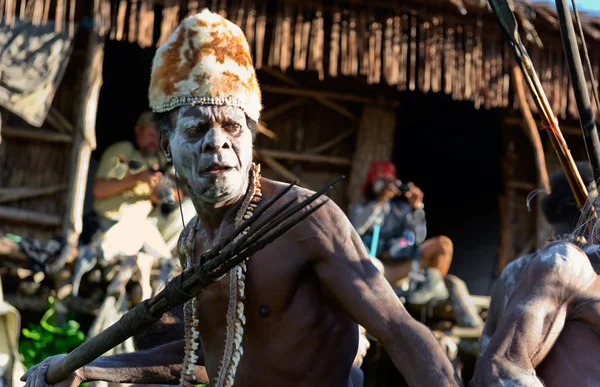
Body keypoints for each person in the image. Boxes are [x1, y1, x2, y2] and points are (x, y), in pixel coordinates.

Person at [21, 10, 461, 387]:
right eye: (196, 129)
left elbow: (399, 329)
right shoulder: (193, 241)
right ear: (167, 147)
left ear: (252, 139)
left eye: (233, 127)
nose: (217, 143)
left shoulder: (306, 220)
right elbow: (205, 355)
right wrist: (90, 366)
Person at [471, 162, 600, 386]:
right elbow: (500, 367)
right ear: (590, 209)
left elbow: (485, 360)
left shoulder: (515, 269)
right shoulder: (578, 268)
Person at [90, 112, 196, 260]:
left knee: (189, 209)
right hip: (114, 222)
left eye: (158, 136)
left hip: (145, 224)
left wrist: (161, 192)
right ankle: (158, 259)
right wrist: (136, 178)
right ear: (138, 130)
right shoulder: (123, 151)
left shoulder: (157, 159)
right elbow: (98, 190)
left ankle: (153, 259)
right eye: (151, 135)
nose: (154, 141)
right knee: (141, 229)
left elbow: (173, 197)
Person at [350, 161, 453, 304]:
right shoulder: (360, 208)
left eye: (390, 182)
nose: (387, 186)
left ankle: (430, 290)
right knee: (372, 266)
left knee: (443, 244)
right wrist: (380, 201)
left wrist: (416, 208)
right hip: (375, 267)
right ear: (373, 183)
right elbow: (358, 226)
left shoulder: (402, 210)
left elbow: (419, 238)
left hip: (402, 268)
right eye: (383, 181)